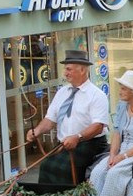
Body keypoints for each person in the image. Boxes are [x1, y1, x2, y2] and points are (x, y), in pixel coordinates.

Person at [27, 50, 110, 186]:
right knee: (45, 166)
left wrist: (77, 137)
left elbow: (98, 126)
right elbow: (50, 120)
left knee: (63, 170)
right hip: (65, 144)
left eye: (69, 69)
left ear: (82, 70)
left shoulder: (97, 95)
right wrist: (37, 131)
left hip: (89, 144)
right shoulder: (62, 92)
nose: (65, 73)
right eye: (65, 69)